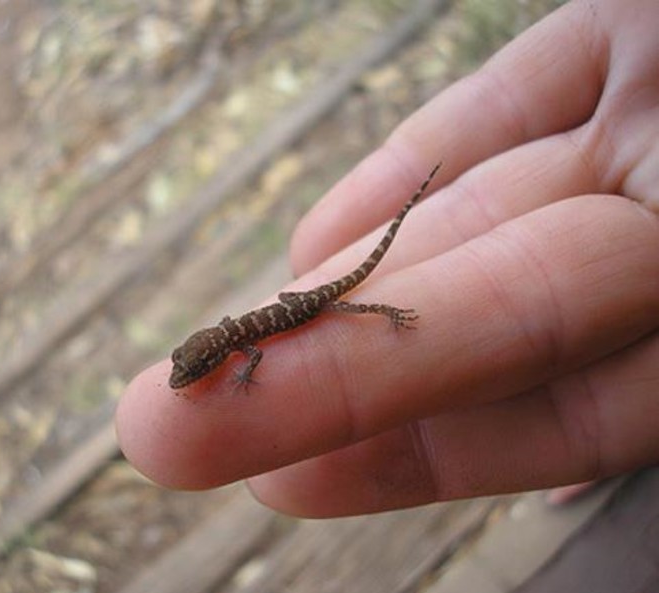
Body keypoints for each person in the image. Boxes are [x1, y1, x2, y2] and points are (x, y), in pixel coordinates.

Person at [116, 0, 659, 517]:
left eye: (191, 364)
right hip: (295, 303)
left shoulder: (245, 349)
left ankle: (391, 311)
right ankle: (390, 294)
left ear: (216, 356)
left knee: (352, 302)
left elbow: (257, 359)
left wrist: (363, 317)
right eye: (189, 366)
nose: (188, 373)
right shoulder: (236, 338)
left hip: (312, 306)